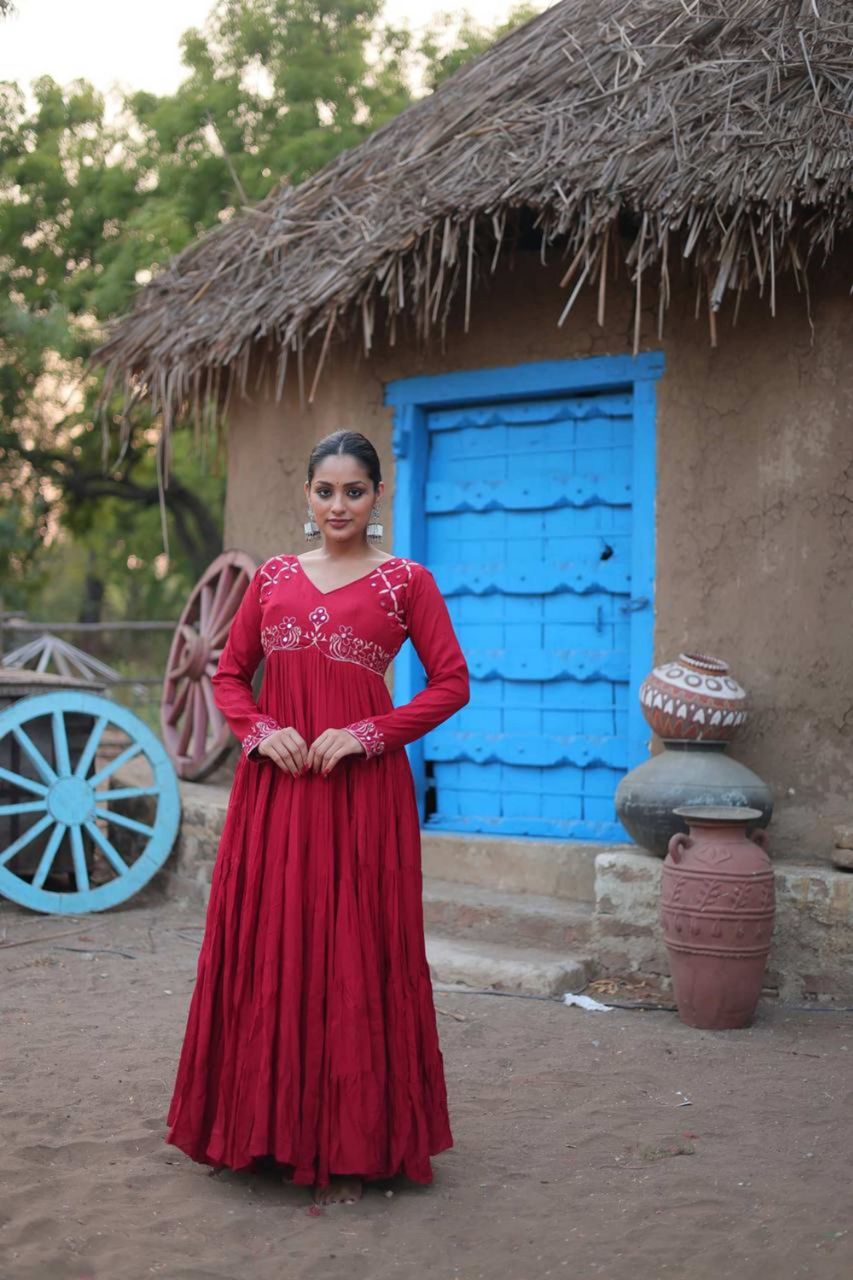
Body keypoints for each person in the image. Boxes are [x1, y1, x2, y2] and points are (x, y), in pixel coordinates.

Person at [166, 429, 470, 1206]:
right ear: (307, 496)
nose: (339, 505)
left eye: (355, 491)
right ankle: (258, 1131)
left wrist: (369, 733)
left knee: (352, 949)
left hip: (361, 797)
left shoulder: (406, 583)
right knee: (272, 942)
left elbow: (450, 684)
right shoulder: (270, 580)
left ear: (377, 497)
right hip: (276, 792)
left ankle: (354, 1139)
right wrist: (260, 731)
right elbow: (231, 677)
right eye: (326, 491)